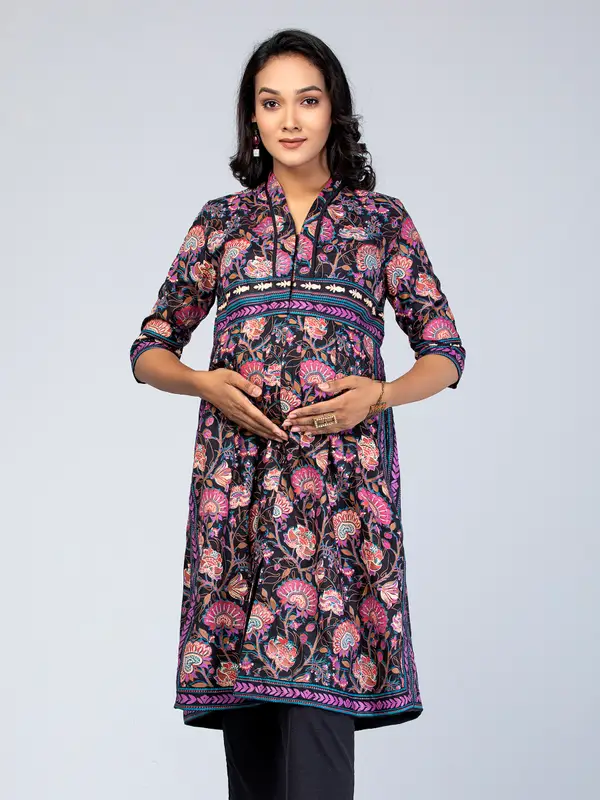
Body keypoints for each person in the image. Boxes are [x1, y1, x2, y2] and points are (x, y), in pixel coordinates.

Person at [129, 27, 466, 800]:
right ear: (251, 118)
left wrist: (380, 394)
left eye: (307, 101)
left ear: (333, 110)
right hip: (235, 503)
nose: (289, 119)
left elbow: (445, 351)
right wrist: (204, 383)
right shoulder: (222, 222)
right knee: (251, 757)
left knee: (317, 748)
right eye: (271, 102)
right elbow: (150, 347)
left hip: (339, 507)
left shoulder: (381, 222)